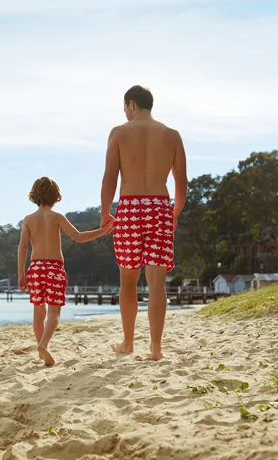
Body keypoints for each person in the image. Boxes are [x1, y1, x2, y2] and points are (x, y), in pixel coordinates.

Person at [100, 85, 188, 360]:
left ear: (131, 105)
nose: (125, 113)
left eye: (125, 108)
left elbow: (110, 177)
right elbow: (181, 182)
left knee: (128, 280)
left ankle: (128, 343)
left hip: (130, 207)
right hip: (160, 206)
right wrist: (174, 212)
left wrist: (105, 212)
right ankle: (156, 348)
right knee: (157, 283)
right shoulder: (172, 135)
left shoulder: (119, 133)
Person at [18, 176, 114, 366]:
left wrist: (21, 274)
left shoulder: (28, 220)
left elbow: (22, 247)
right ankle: (44, 344)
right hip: (54, 268)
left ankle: (40, 347)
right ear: (56, 196)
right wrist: (102, 231)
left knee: (39, 312)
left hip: (35, 268)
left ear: (34, 195)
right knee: (54, 312)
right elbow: (78, 237)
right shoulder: (57, 217)